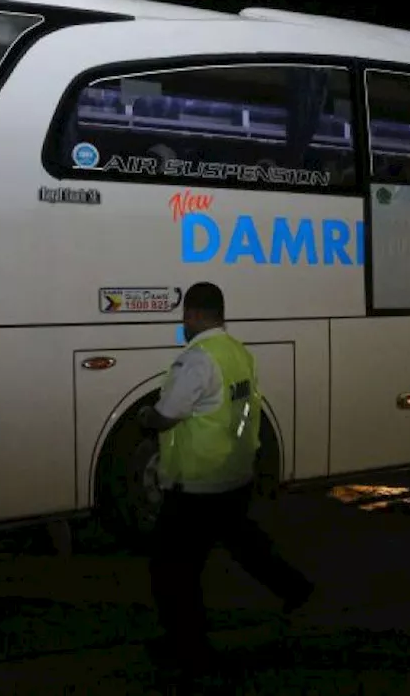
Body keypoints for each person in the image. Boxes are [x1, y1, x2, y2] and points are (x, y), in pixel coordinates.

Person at [140, 281, 314, 671]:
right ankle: (296, 588)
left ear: (196, 315)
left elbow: (167, 415)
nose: (183, 323)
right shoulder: (238, 353)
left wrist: (145, 417)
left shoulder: (198, 359)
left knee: (172, 570)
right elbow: (243, 414)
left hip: (196, 486)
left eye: (185, 315)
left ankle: (189, 648)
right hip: (234, 475)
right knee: (244, 544)